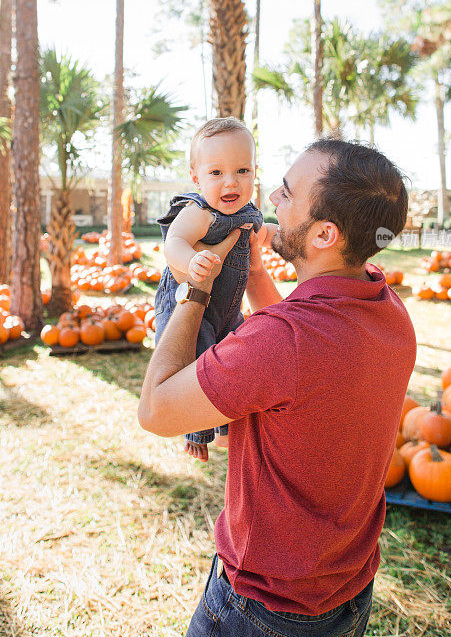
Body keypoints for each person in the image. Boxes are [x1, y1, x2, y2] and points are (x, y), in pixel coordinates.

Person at [139, 139, 417, 637]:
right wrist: (257, 272)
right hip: (346, 590)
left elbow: (157, 411)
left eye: (287, 195)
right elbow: (292, 353)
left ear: (325, 233)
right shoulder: (385, 306)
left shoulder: (280, 343)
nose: (269, 202)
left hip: (263, 608)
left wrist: (196, 289)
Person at [153, 117, 277, 461]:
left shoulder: (248, 212)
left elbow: (259, 233)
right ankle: (197, 432)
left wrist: (274, 235)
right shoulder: (199, 213)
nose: (231, 183)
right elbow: (173, 242)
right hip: (186, 304)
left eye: (242, 171)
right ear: (196, 177)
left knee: (237, 355)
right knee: (200, 356)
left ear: (254, 171)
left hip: (227, 309)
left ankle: (226, 427)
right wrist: (190, 260)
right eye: (216, 173)